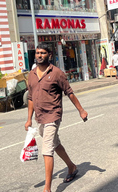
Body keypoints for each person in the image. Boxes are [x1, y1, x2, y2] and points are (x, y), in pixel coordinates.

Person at [25, 44, 88, 192]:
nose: (40, 55)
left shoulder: (57, 73)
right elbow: (30, 98)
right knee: (54, 143)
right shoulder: (32, 74)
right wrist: (29, 119)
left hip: (53, 115)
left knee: (47, 149)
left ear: (50, 55)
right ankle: (72, 167)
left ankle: (47, 189)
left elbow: (69, 92)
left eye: (43, 53)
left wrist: (81, 110)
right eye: (38, 53)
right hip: (40, 117)